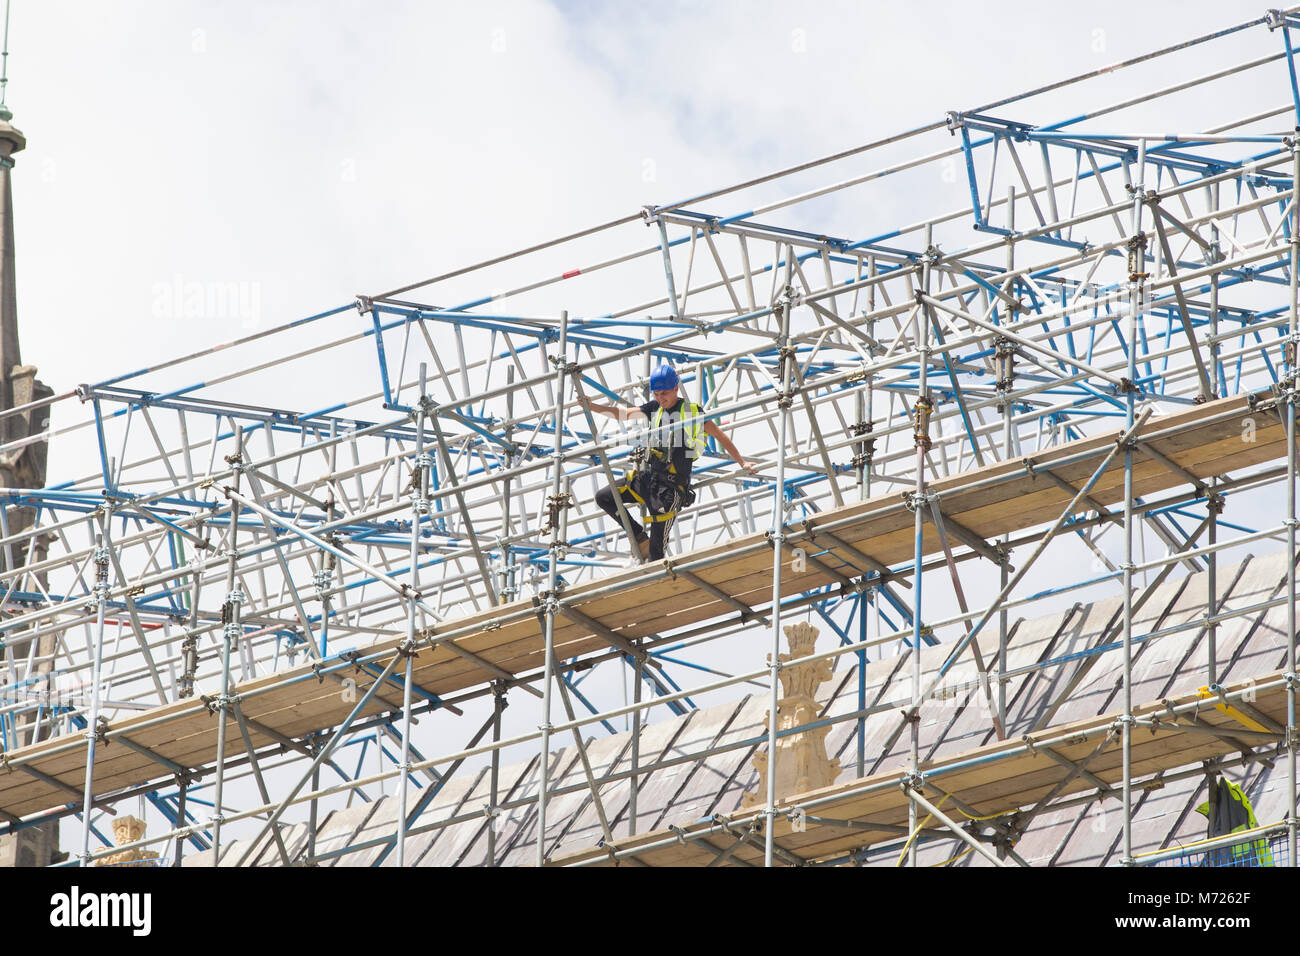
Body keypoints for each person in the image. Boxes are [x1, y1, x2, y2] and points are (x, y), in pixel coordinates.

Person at [577, 363, 758, 562]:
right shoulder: (655, 408)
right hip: (648, 481)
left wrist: (742, 463)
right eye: (656, 394)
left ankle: (652, 562)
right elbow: (624, 414)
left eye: (664, 393)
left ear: (675, 389)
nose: (660, 398)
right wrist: (592, 406)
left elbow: (720, 436)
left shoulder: (691, 412)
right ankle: (639, 538)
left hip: (669, 491)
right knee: (604, 497)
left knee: (656, 556)